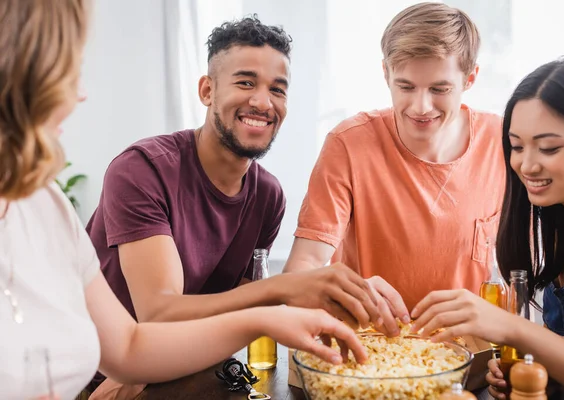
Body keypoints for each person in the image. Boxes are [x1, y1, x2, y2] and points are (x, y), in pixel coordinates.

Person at [0, 1, 368, 399]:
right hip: (102, 383)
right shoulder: (142, 169)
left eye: (277, 89)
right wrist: (278, 295)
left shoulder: (269, 195)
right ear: (207, 91)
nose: (263, 102)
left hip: (170, 367)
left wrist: (268, 315)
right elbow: (156, 316)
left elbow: (140, 346)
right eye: (246, 83)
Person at [284, 2, 505, 332]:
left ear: (470, 78)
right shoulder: (348, 144)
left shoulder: (503, 141)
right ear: (385, 72)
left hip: (472, 355)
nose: (420, 106)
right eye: (405, 87)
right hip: (372, 350)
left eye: (439, 89)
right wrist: (353, 294)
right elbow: (300, 272)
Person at [410, 56, 564, 400]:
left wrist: (517, 331)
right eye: (516, 146)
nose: (526, 164)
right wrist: (535, 373)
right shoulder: (563, 235)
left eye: (549, 147)